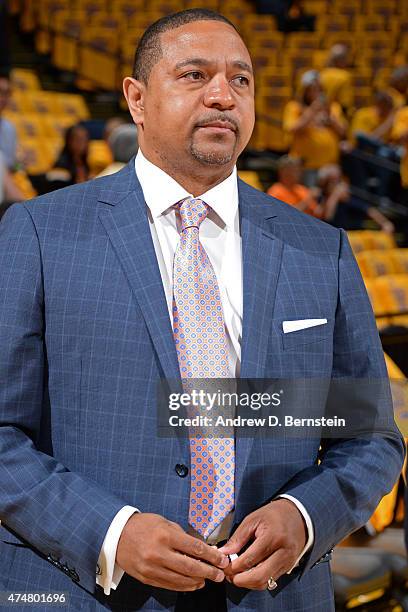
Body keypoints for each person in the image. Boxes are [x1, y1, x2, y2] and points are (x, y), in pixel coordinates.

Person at [0, 9, 404, 612]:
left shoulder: (321, 249)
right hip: (89, 592)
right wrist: (113, 533)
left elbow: (368, 436)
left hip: (272, 596)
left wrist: (304, 515)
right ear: (137, 99)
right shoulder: (39, 232)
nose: (222, 95)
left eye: (240, 80)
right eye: (194, 74)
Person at [283, 69, 348, 184]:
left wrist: (330, 118)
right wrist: (312, 110)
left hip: (330, 167)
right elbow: (292, 129)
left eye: (319, 88)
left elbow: (342, 131)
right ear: (304, 91)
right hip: (307, 166)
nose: (316, 92)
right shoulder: (294, 107)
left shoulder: (333, 107)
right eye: (312, 89)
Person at [317, 164, 395, 233]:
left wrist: (385, 223)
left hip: (353, 236)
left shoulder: (349, 200)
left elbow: (369, 210)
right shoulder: (321, 198)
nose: (339, 185)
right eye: (333, 182)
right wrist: (335, 196)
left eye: (339, 181)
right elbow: (328, 216)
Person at [320, 44, 354, 116]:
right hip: (336, 116)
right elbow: (345, 104)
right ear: (340, 60)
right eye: (345, 59)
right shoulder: (344, 76)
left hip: (320, 113)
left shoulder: (322, 74)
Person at [0, 68, 17, 169]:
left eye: (7, 93)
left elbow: (10, 166)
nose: (3, 97)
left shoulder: (9, 128)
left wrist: (19, 165)